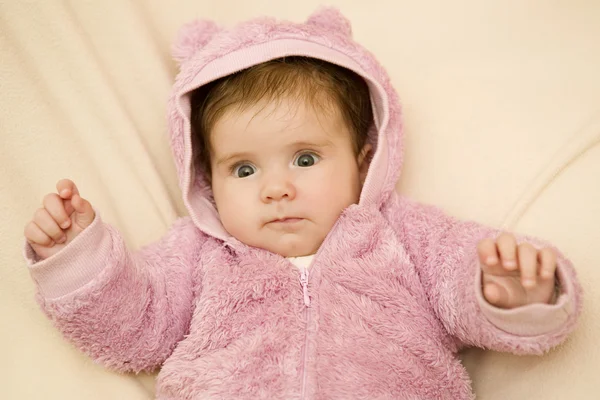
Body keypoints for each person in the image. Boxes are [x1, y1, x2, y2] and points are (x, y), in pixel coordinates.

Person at [22, 8, 582, 399]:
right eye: (244, 169)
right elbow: (133, 327)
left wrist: (508, 294)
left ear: (365, 160)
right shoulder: (198, 254)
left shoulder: (406, 235)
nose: (276, 188)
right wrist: (79, 259)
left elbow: (461, 276)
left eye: (306, 159)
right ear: (207, 180)